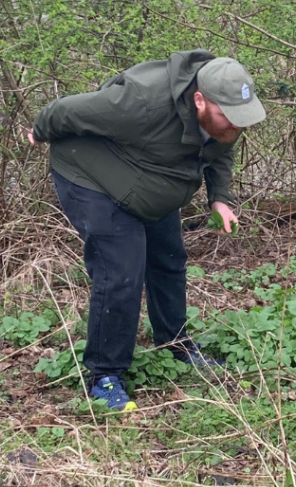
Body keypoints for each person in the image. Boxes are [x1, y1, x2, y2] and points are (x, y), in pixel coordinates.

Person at [27, 50, 266, 412]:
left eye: (240, 120)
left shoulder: (224, 112)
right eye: (227, 117)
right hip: (90, 176)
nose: (235, 126)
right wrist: (40, 131)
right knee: (121, 272)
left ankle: (176, 346)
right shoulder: (141, 102)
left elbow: (221, 148)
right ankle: (105, 376)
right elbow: (64, 110)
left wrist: (219, 197)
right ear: (199, 100)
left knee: (168, 260)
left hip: (151, 179)